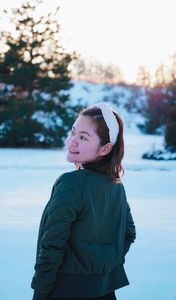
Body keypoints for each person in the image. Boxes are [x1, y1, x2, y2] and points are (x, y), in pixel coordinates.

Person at [31, 102, 136, 300]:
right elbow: (128, 234)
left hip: (65, 291)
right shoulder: (116, 186)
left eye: (83, 137)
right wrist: (102, 267)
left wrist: (40, 292)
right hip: (105, 290)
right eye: (73, 132)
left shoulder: (71, 183)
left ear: (105, 148)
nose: (72, 141)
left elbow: (52, 244)